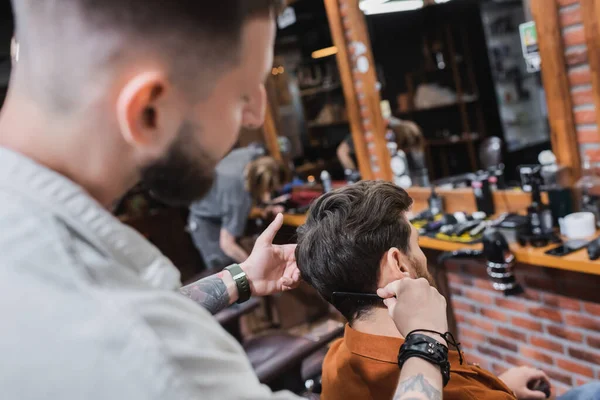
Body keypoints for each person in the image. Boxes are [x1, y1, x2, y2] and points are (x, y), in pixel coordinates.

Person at [0, 1, 446, 399]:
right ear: (149, 110)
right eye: (243, 93)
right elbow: (143, 332)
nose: (255, 116)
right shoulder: (142, 348)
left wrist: (241, 277)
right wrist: (426, 340)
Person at [296, 181, 600, 400]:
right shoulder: (465, 393)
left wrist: (501, 386)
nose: (423, 255)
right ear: (399, 265)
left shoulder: (337, 359)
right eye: (416, 244)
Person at [188, 146, 286, 270]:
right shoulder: (237, 198)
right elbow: (227, 244)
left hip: (220, 200)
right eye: (269, 190)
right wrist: (256, 266)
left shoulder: (253, 154)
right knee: (225, 269)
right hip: (205, 222)